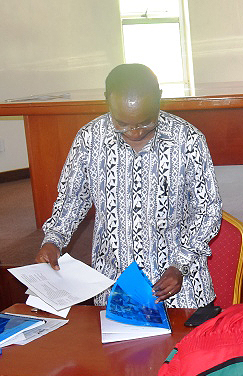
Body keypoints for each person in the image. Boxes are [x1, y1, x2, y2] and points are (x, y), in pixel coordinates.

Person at [34, 64, 222, 308]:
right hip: (114, 286)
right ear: (107, 102)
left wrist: (181, 264)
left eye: (146, 123)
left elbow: (208, 211)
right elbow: (72, 199)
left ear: (159, 98)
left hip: (179, 290)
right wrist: (53, 239)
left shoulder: (187, 139)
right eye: (122, 124)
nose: (134, 132)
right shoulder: (90, 139)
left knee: (182, 347)